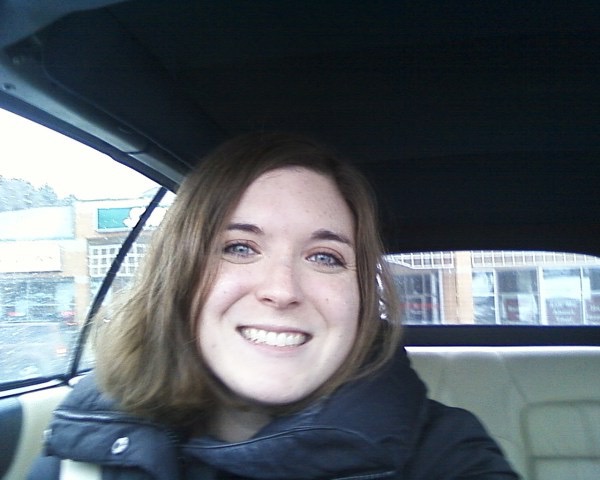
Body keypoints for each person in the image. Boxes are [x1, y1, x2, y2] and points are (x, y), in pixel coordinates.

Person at [29, 133, 519, 479]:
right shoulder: (88, 447)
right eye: (240, 248)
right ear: (178, 275)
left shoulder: (443, 453)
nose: (282, 290)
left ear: (362, 301)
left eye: (324, 257)